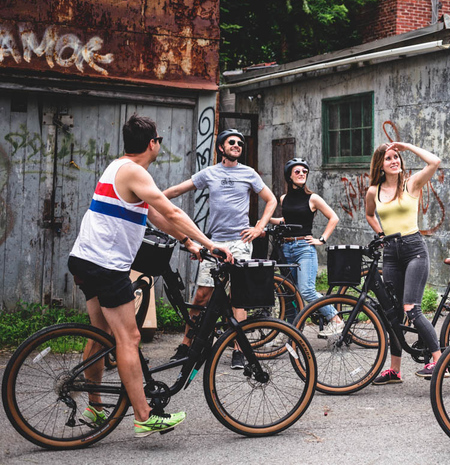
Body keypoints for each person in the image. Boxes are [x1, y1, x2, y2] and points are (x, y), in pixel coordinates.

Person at [68, 114, 233, 438]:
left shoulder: (118, 168)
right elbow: (170, 210)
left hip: (85, 259)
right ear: (152, 143)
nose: (160, 144)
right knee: (128, 338)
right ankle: (144, 416)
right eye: (159, 139)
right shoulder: (134, 171)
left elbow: (155, 214)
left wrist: (188, 242)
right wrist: (210, 243)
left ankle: (95, 406)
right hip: (106, 265)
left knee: (99, 334)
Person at [164, 129, 277, 369]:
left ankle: (239, 350)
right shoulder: (210, 173)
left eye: (240, 143)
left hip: (240, 242)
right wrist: (151, 199)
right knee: (201, 296)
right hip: (214, 243)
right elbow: (176, 191)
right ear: (221, 148)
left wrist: (259, 227)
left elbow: (272, 200)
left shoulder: (249, 173)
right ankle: (186, 346)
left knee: (239, 298)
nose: (237, 145)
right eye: (231, 142)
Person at [364, 142, 442, 383]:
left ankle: (440, 363)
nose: (394, 161)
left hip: (413, 250)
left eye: (396, 157)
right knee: (394, 314)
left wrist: (406, 146)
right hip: (391, 254)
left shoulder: (411, 184)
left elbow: (435, 162)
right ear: (380, 165)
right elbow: (369, 214)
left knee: (412, 309)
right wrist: (380, 235)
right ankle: (395, 371)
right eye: (389, 158)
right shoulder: (373, 192)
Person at [270, 158, 343, 336]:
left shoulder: (313, 198)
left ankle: (336, 320)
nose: (302, 174)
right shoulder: (283, 198)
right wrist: (264, 221)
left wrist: (322, 239)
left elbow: (333, 218)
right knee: (290, 294)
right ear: (289, 176)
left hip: (304, 248)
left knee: (307, 290)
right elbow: (286, 220)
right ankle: (291, 332)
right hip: (286, 248)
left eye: (304, 171)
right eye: (298, 171)